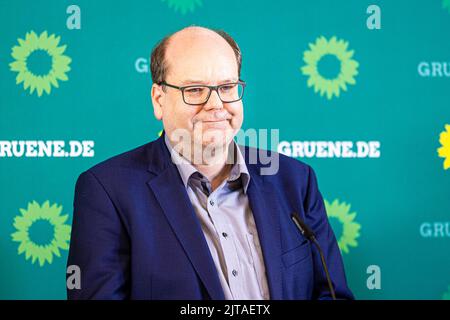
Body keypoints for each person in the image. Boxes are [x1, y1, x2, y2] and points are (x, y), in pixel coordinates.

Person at [66, 26, 354, 300]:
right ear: (158, 99)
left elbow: (332, 292)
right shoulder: (108, 191)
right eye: (194, 90)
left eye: (227, 87)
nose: (216, 104)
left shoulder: (295, 180)